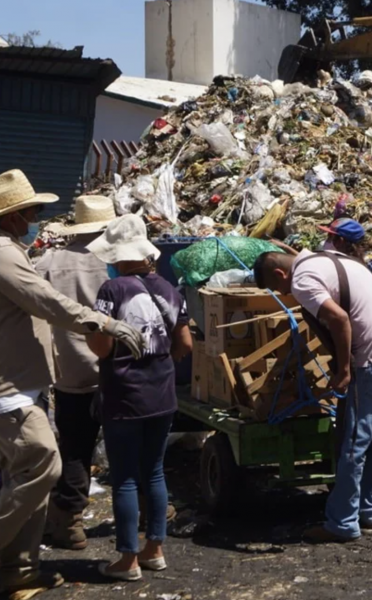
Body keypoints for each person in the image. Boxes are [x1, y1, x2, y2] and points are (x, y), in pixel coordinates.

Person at [0, 170, 145, 597]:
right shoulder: (5, 254)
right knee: (43, 460)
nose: (34, 218)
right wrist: (102, 322)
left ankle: (18, 571)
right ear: (11, 216)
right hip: (13, 389)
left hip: (47, 379)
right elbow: (44, 301)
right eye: (30, 212)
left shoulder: (30, 253)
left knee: (35, 472)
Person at [253, 245, 372, 543]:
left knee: (353, 442)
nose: (286, 294)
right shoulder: (330, 257)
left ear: (280, 273)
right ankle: (370, 509)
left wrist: (343, 371)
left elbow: (339, 319)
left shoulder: (302, 280)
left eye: (279, 287)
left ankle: (342, 522)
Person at [85, 215, 192, 581]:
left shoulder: (111, 291)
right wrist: (158, 364)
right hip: (162, 395)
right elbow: (186, 344)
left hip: (125, 396)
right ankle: (155, 550)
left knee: (126, 478)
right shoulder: (170, 289)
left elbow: (101, 348)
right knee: (155, 471)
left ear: (116, 255)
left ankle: (128, 559)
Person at [35, 196, 114, 550]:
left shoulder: (51, 261)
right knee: (130, 445)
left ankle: (69, 523)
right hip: (116, 368)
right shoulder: (116, 260)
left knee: (76, 449)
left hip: (71, 369)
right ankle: (146, 508)